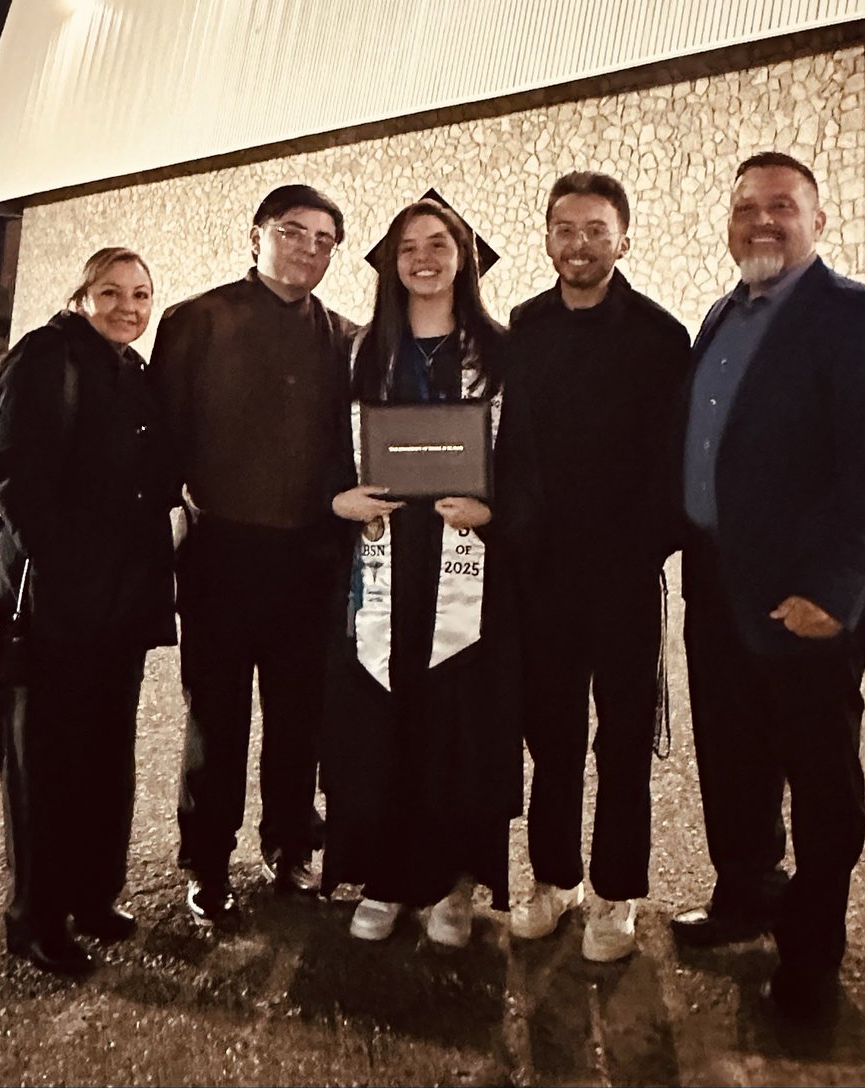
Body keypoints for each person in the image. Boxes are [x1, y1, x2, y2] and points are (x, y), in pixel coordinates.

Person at [670, 151, 865, 1020]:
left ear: (818, 222)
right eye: (746, 208)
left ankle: (813, 949)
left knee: (818, 773)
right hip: (716, 586)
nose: (763, 221)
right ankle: (745, 893)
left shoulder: (863, 317)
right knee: (731, 758)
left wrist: (835, 589)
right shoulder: (722, 313)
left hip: (808, 599)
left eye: (783, 207)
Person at [495, 172, 691, 962]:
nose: (580, 244)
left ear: (624, 239)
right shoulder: (524, 326)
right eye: (565, 229)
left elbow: (672, 463)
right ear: (547, 239)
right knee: (553, 737)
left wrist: (643, 548)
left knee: (622, 739)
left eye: (596, 229)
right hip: (540, 573)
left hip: (621, 573)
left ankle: (617, 892)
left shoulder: (658, 334)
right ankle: (554, 879)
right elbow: (513, 450)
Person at [149, 185, 356, 925]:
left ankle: (291, 844)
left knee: (301, 714)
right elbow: (161, 449)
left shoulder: (347, 338)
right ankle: (206, 860)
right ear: (255, 235)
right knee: (218, 716)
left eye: (324, 238)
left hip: (312, 559)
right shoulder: (197, 321)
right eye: (293, 231)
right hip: (220, 554)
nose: (308, 248)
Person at [322, 198, 519, 947]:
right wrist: (335, 498)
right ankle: (387, 876)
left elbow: (529, 460)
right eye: (409, 247)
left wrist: (496, 511)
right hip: (381, 556)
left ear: (465, 257)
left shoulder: (500, 352)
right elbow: (324, 450)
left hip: (467, 560)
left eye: (440, 244)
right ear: (391, 261)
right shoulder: (361, 350)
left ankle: (457, 881)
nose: (424, 257)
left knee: (461, 720)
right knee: (380, 711)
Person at [0, 247, 177, 975]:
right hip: (50, 602)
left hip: (120, 606)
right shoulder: (46, 356)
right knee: (43, 762)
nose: (128, 306)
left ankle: (96, 895)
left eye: (141, 293)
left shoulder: (135, 371)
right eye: (111, 292)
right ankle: (35, 915)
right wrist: (70, 566)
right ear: (81, 294)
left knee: (105, 754)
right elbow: (12, 472)